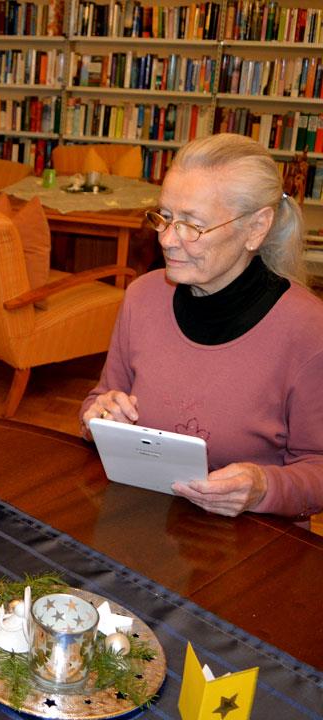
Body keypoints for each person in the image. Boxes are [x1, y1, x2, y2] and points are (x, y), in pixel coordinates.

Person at [81, 133, 323, 521]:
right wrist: (99, 417)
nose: (166, 239)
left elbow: (318, 468)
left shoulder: (309, 330)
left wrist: (263, 487)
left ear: (256, 228)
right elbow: (100, 399)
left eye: (192, 225)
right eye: (164, 217)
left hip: (252, 538)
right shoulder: (143, 297)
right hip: (142, 518)